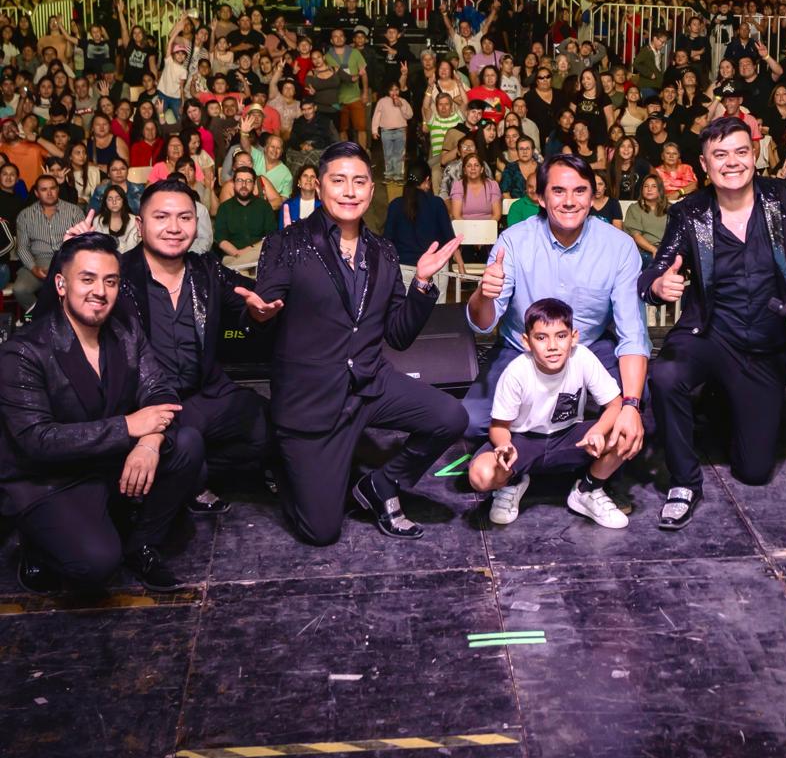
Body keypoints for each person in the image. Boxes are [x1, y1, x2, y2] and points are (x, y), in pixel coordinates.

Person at [640, 117, 786, 530]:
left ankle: (719, 402)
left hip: (766, 345)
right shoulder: (689, 212)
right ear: (704, 165)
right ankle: (684, 482)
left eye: (740, 151)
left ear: (754, 156)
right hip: (710, 335)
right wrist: (659, 285)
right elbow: (652, 275)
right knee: (665, 374)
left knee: (753, 471)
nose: (732, 162)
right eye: (720, 155)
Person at [252, 142, 464, 545]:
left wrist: (422, 283)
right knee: (321, 531)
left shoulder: (383, 251)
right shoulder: (287, 243)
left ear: (371, 190)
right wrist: (260, 313)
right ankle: (283, 459)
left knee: (451, 417)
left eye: (359, 182)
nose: (349, 191)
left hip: (370, 385)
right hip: (313, 400)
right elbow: (263, 312)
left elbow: (398, 335)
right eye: (339, 181)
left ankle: (380, 484)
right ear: (320, 185)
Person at [0, 234, 202, 593]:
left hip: (105, 461)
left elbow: (161, 392)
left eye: (110, 281)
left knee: (187, 444)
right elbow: (37, 440)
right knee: (96, 564)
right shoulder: (24, 351)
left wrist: (149, 442)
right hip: (50, 478)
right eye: (87, 279)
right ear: (61, 284)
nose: (100, 291)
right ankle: (37, 544)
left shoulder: (126, 331)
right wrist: (128, 427)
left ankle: (140, 545)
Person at [106, 177, 278, 516]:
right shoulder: (118, 275)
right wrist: (67, 259)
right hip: (146, 402)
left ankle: (192, 469)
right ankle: (187, 474)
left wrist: (259, 313)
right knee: (184, 451)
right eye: (161, 217)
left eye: (184, 217)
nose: (174, 227)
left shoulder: (205, 268)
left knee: (272, 426)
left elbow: (250, 298)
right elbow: (60, 317)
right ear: (140, 225)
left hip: (205, 394)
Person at [463, 154, 649, 451]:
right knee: (473, 421)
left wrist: (631, 404)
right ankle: (543, 448)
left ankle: (569, 454)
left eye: (580, 191)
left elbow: (633, 334)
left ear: (593, 196)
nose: (570, 201)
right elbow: (484, 323)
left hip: (589, 345)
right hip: (521, 348)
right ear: (540, 197)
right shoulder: (513, 242)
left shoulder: (619, 246)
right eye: (558, 191)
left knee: (639, 408)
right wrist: (483, 294)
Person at [467, 298, 629, 529]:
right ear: (527, 342)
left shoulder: (582, 357)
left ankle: (587, 489)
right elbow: (498, 426)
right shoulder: (516, 372)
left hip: (569, 437)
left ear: (573, 337)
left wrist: (598, 430)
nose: (552, 346)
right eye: (541, 338)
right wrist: (504, 446)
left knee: (626, 431)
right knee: (480, 475)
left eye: (561, 336)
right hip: (524, 441)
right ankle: (512, 482)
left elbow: (615, 404)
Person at [14, 174, 84, 310]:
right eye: (44, 189)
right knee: (20, 289)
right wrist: (34, 268)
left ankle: (64, 318)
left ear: (58, 190)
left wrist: (67, 264)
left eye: (52, 188)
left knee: (76, 289)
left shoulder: (74, 211)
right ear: (36, 193)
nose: (49, 193)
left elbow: (82, 242)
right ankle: (41, 316)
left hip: (67, 260)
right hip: (38, 262)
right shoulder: (25, 215)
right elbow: (22, 247)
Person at [213, 165, 277, 266]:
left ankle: (238, 268)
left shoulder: (264, 206)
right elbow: (221, 239)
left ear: (254, 185)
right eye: (239, 180)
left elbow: (271, 236)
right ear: (234, 184)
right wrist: (237, 253)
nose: (244, 185)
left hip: (260, 255)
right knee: (240, 270)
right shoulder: (224, 208)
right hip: (232, 256)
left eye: (248, 181)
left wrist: (250, 250)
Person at [371, 79, 414, 183]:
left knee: (399, 154)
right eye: (391, 90)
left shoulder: (403, 101)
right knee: (388, 153)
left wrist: (401, 106)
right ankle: (389, 174)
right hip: (386, 131)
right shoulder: (382, 101)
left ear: (399, 90)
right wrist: (374, 130)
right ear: (387, 91)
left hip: (400, 131)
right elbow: (376, 116)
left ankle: (398, 175)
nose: (394, 92)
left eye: (396, 89)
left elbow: (409, 115)